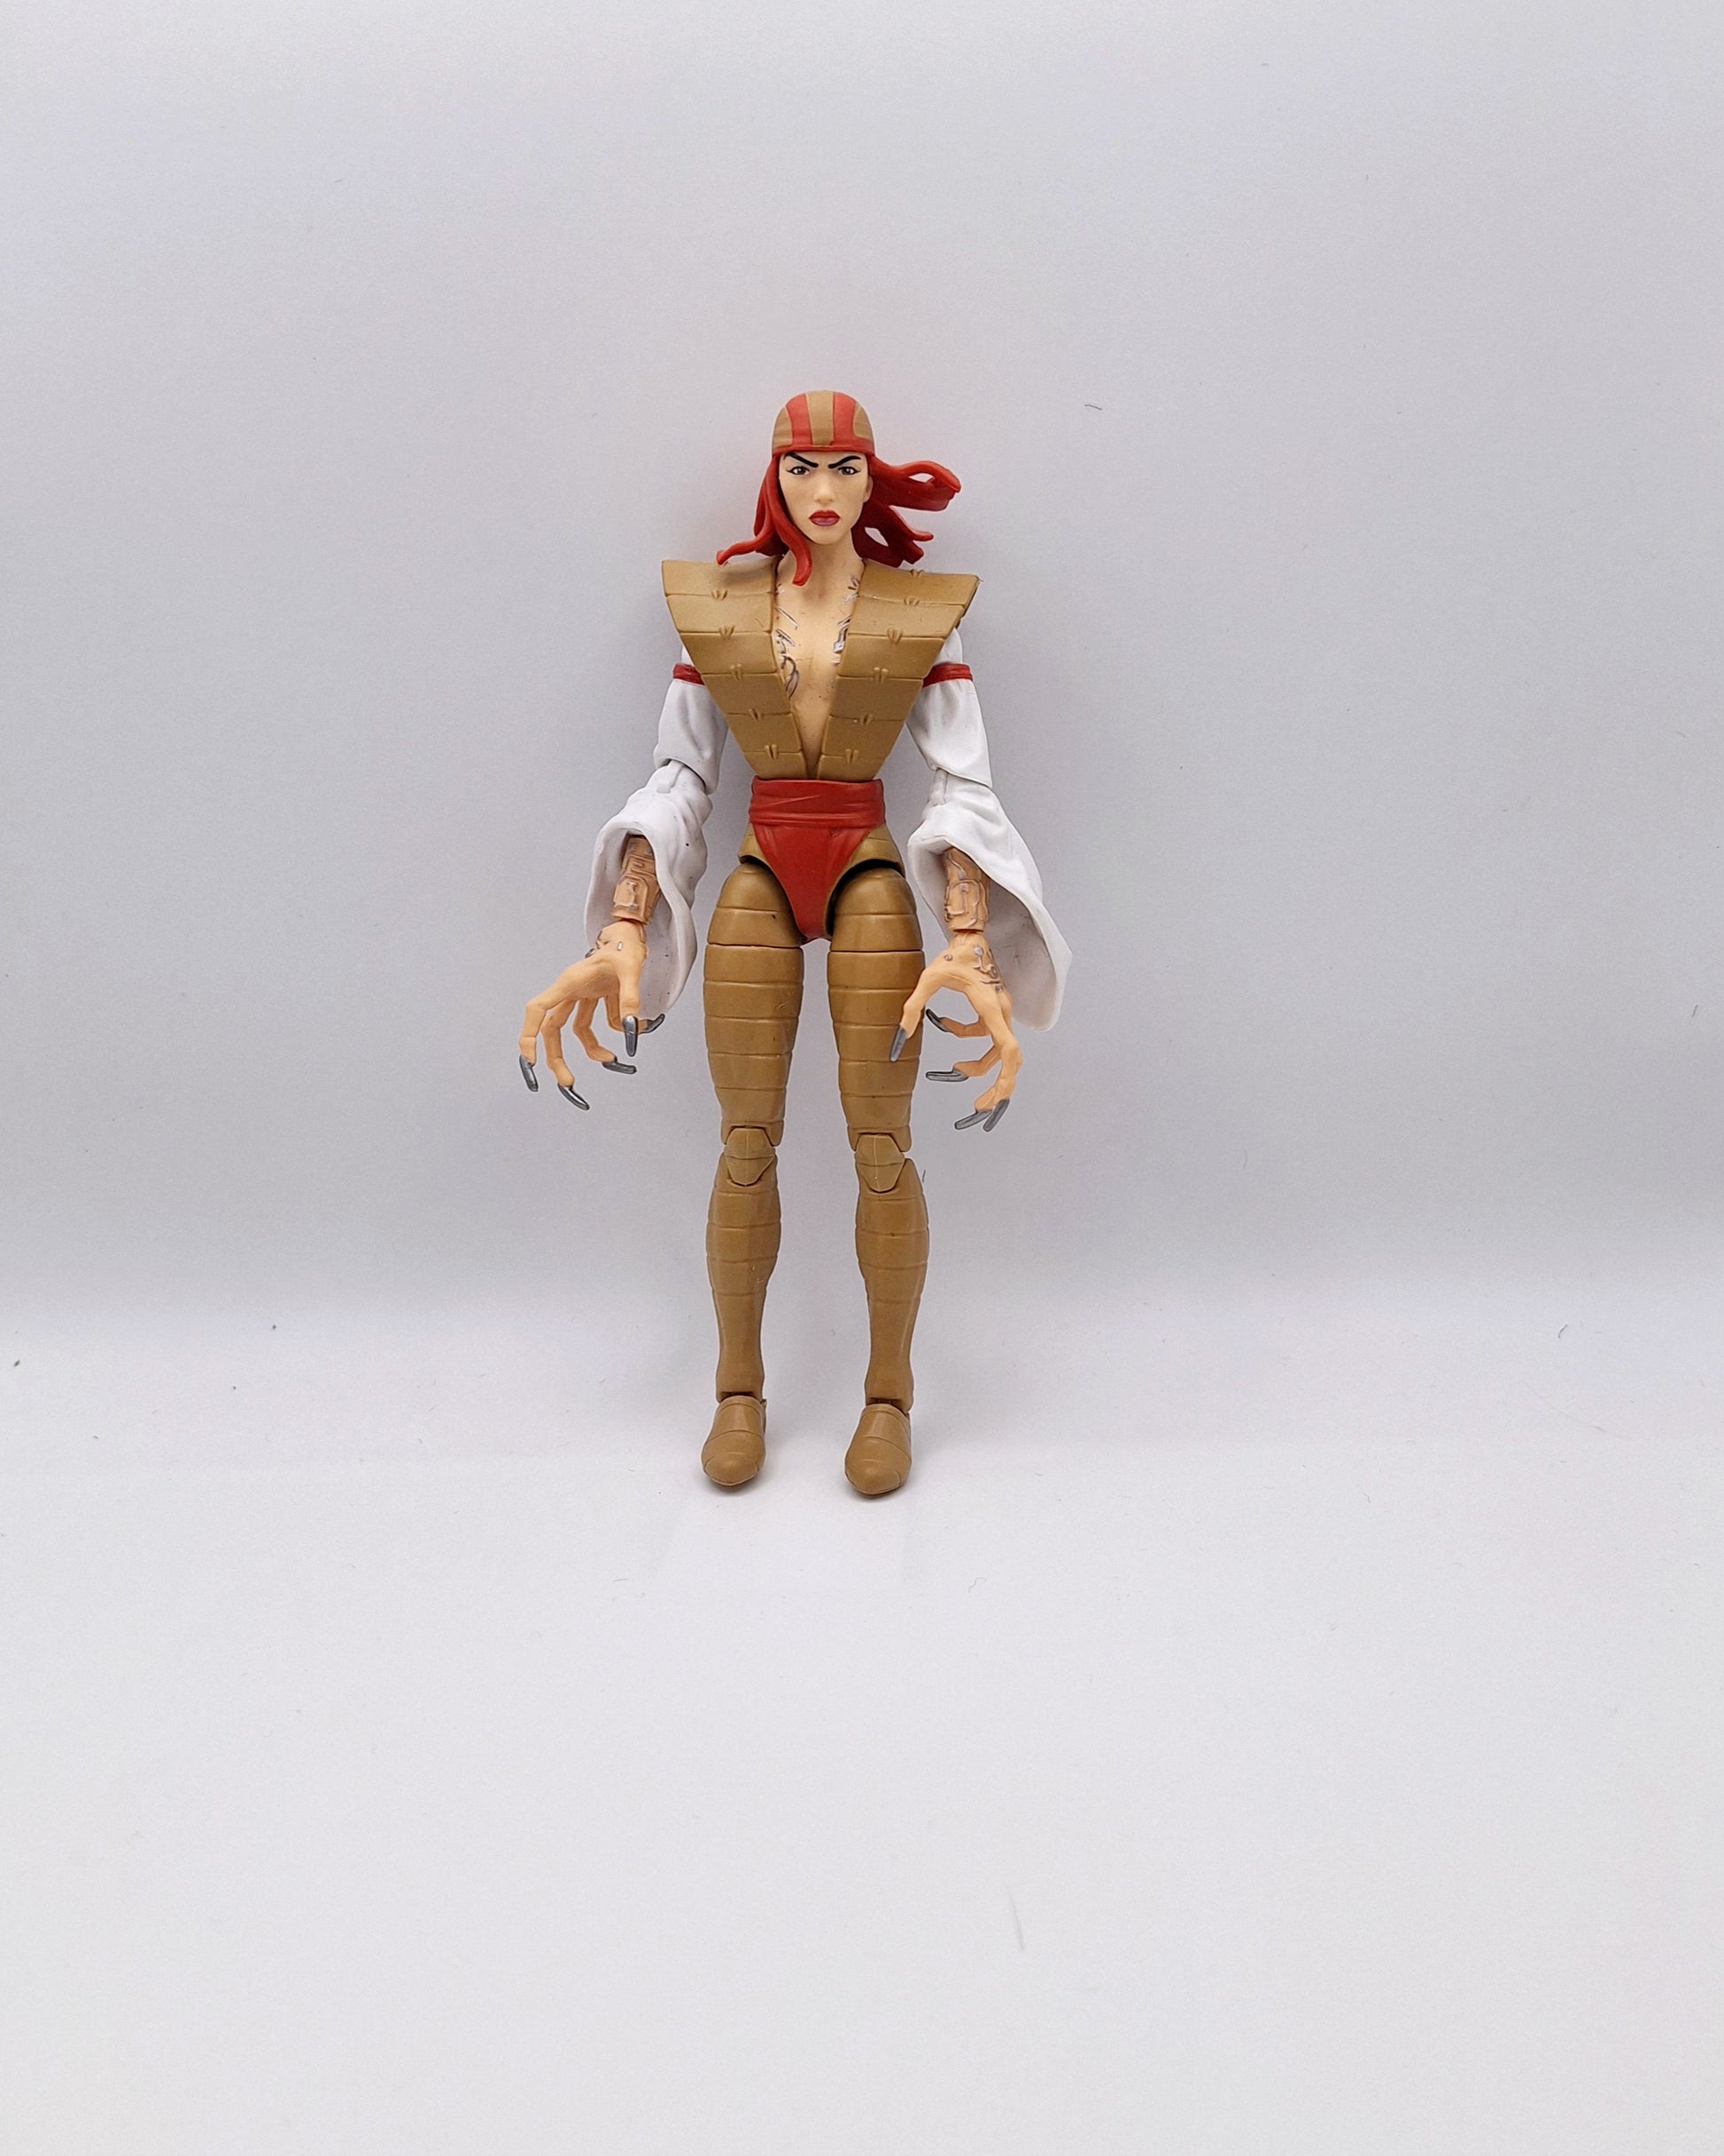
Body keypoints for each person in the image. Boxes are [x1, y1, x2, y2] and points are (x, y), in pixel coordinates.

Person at [518, 393, 1068, 1495]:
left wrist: (966, 935)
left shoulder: (919, 613)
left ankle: (887, 1397)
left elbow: (961, 784)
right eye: (801, 468)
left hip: (864, 863)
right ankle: (737, 1392)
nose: (823, 490)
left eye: (844, 468)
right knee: (742, 1143)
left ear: (871, 480)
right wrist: (625, 920)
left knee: (882, 1146)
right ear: (774, 479)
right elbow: (680, 776)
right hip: (762, 866)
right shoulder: (721, 610)